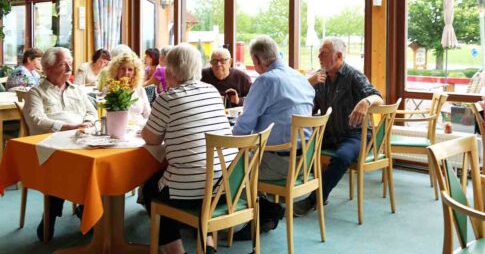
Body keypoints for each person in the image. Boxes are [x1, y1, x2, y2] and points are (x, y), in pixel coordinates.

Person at [141, 43, 237, 254]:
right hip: (227, 186)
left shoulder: (167, 98)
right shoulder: (212, 91)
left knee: (150, 188)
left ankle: (176, 250)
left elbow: (152, 139)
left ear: (171, 70)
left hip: (193, 189)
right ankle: (208, 247)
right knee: (199, 172)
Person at [232, 35, 315, 238]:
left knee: (231, 168)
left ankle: (241, 225)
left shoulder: (266, 81)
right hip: (304, 162)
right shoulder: (299, 77)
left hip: (279, 164)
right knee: (250, 156)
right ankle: (267, 210)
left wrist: (229, 133)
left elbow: (244, 128)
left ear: (257, 60)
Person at [293, 38, 383, 216]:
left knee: (342, 157)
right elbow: (307, 107)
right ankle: (290, 191)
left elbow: (378, 97)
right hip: (329, 133)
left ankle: (316, 198)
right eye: (319, 52)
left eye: (323, 53)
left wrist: (366, 101)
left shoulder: (353, 76)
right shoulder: (320, 76)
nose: (319, 56)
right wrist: (307, 84)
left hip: (354, 134)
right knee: (298, 146)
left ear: (339, 56)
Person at [23, 47, 97, 241]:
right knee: (66, 164)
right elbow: (36, 121)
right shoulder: (36, 93)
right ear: (47, 68)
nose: (69, 67)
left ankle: (86, 208)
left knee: (95, 164)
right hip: (50, 146)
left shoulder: (77, 90)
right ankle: (53, 212)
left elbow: (92, 112)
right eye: (63, 64)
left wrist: (87, 123)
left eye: (70, 62)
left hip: (81, 141)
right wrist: (69, 126)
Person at [105, 52, 150, 127]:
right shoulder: (110, 89)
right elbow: (106, 115)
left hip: (139, 129)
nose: (126, 72)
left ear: (135, 73)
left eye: (130, 70)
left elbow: (148, 114)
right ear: (116, 70)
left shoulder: (139, 90)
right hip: (118, 128)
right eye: (122, 69)